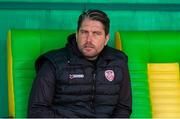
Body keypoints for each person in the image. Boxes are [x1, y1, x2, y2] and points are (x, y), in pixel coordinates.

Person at [28, 9, 132, 118]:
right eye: (84, 32)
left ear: (106, 39)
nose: (89, 40)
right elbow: (37, 111)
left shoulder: (118, 62)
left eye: (96, 34)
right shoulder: (53, 63)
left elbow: (123, 108)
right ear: (77, 35)